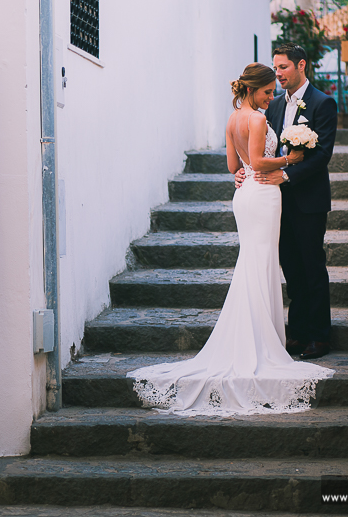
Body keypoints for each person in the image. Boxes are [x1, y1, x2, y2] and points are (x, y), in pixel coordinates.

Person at [127, 63, 333, 416]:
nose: (272, 96)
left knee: (255, 263)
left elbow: (232, 166)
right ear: (253, 90)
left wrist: (244, 174)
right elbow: (256, 159)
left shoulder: (232, 118)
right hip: (264, 194)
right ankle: (261, 344)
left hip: (246, 193)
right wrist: (290, 158)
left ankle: (256, 336)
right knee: (260, 263)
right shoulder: (254, 120)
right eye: (267, 92)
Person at [248, 43, 337, 360]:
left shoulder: (322, 103)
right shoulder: (272, 106)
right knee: (290, 266)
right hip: (276, 201)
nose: (278, 73)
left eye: (283, 67)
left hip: (308, 200)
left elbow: (322, 155)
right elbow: (264, 150)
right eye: (275, 67)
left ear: (301, 65)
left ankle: (320, 336)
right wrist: (244, 172)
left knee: (312, 266)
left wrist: (287, 176)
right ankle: (297, 333)